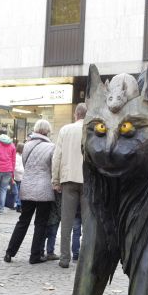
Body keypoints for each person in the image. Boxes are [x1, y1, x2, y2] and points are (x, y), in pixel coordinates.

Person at [4, 119, 55, 265]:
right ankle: (35, 255)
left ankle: (9, 252)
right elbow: (52, 168)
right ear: (47, 131)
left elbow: (26, 165)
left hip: (27, 187)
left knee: (23, 220)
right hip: (44, 188)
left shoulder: (26, 145)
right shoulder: (52, 147)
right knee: (41, 223)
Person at [52, 103, 87, 268]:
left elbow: (57, 156)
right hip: (87, 181)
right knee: (88, 223)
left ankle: (64, 258)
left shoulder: (65, 130)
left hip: (68, 179)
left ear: (75, 114)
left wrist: (55, 179)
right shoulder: (91, 130)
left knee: (66, 222)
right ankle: (86, 258)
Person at [13, 142, 24, 211]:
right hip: (17, 177)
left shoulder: (21, 156)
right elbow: (16, 168)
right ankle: (17, 205)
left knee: (19, 192)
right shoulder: (17, 157)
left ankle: (18, 205)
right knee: (17, 192)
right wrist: (24, 171)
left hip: (20, 177)